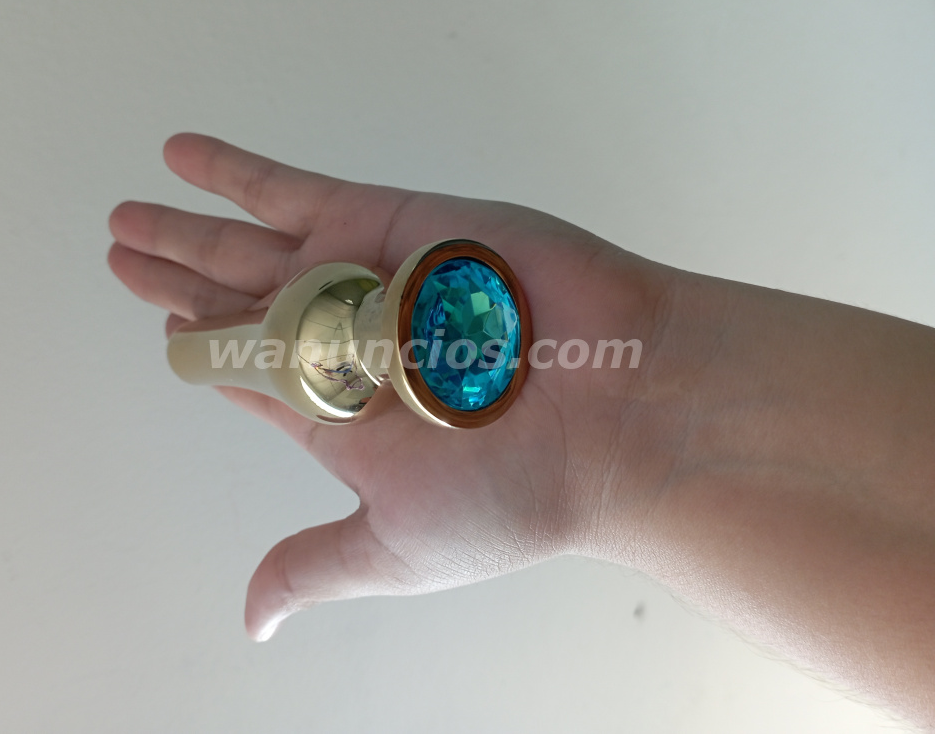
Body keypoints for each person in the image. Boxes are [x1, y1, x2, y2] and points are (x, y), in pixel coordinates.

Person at [107, 133, 935, 728]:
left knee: (217, 351)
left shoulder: (415, 337)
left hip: (344, 341)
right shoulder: (380, 333)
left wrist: (637, 419)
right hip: (330, 342)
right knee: (206, 352)